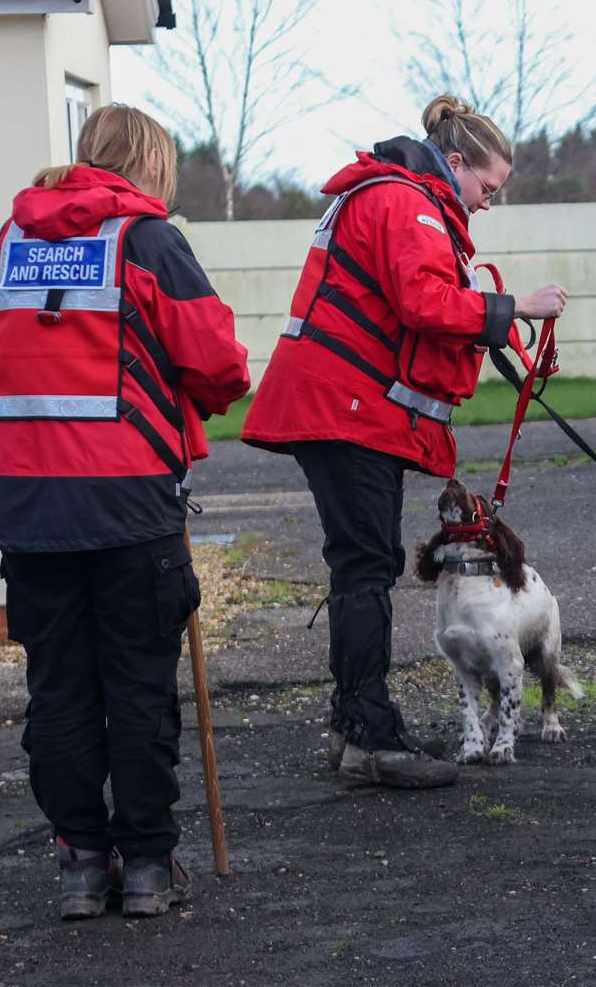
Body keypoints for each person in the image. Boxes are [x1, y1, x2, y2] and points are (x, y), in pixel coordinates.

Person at [241, 95, 568, 790]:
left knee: (360, 563)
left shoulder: (393, 196)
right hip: (345, 409)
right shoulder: (406, 203)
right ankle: (369, 737)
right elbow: (423, 301)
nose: (487, 203)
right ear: (455, 164)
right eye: (486, 188)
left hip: (340, 407)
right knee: (365, 566)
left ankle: (351, 724)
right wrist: (517, 308)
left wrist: (493, 323)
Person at [0, 104, 251, 918]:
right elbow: (220, 364)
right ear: (151, 167)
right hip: (131, 501)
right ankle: (146, 868)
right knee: (137, 688)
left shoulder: (12, 240)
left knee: (58, 690)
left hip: (27, 503)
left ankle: (79, 863)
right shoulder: (149, 240)